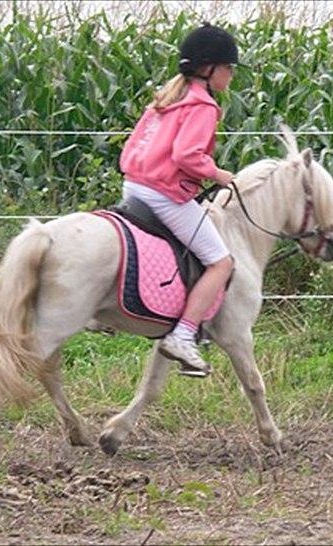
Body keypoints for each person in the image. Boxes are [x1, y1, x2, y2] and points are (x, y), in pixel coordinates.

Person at [119, 23, 239, 378]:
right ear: (209, 68)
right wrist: (218, 175)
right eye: (228, 68)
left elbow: (133, 146)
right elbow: (188, 155)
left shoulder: (167, 98)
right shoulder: (202, 105)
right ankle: (184, 336)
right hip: (162, 196)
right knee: (221, 263)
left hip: (134, 187)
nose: (231, 75)